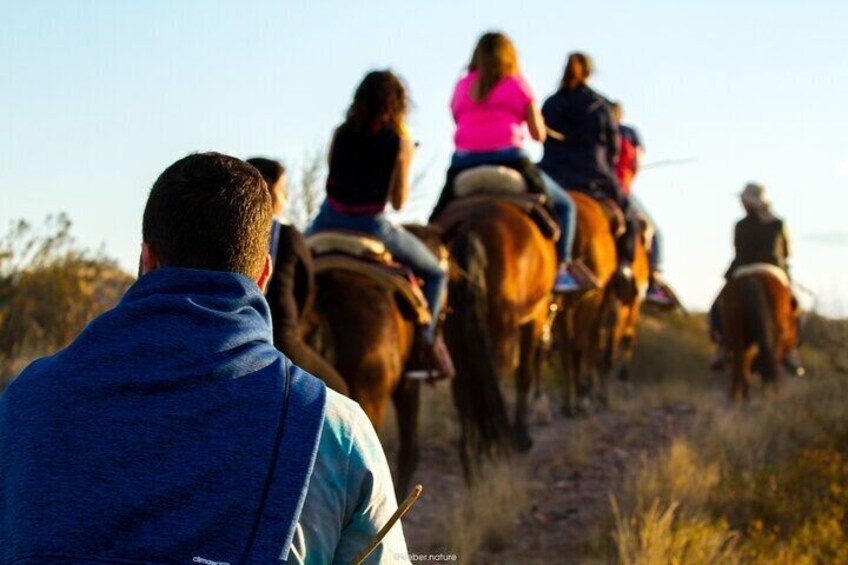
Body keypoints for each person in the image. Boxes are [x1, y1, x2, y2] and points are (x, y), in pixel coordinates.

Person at [0, 153, 407, 564]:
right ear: (264, 275)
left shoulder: (24, 401)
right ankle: (428, 340)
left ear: (147, 259)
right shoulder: (337, 429)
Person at [307, 70, 454, 378]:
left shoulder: (340, 133)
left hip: (326, 221)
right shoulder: (398, 142)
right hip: (370, 226)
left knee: (282, 264)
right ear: (397, 104)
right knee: (437, 272)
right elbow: (399, 201)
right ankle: (424, 347)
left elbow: (331, 183)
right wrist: (405, 156)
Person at [429, 31, 591, 293]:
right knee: (563, 207)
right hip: (510, 158)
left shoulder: (462, 86)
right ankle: (561, 268)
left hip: (463, 162)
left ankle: (432, 261)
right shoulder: (517, 84)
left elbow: (457, 119)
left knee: (436, 221)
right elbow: (538, 134)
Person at [247, 157, 350, 396]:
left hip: (230, 339)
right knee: (341, 393)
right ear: (268, 192)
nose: (285, 198)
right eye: (282, 191)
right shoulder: (287, 235)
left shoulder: (227, 233)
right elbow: (306, 288)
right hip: (282, 340)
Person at [538, 52, 639, 282]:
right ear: (589, 73)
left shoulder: (551, 103)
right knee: (629, 215)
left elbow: (543, 138)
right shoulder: (600, 106)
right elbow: (613, 149)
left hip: (552, 174)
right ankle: (625, 265)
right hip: (593, 175)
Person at [709, 182, 805, 376]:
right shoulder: (778, 223)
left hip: (742, 271)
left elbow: (738, 253)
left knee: (716, 309)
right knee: (799, 313)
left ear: (748, 202)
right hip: (775, 271)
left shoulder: (740, 225)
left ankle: (721, 346)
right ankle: (791, 350)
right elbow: (786, 252)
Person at [609, 101, 676, 307]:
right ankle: (654, 278)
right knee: (655, 234)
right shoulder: (630, 133)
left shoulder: (593, 131)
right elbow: (636, 164)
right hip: (621, 190)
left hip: (589, 185)